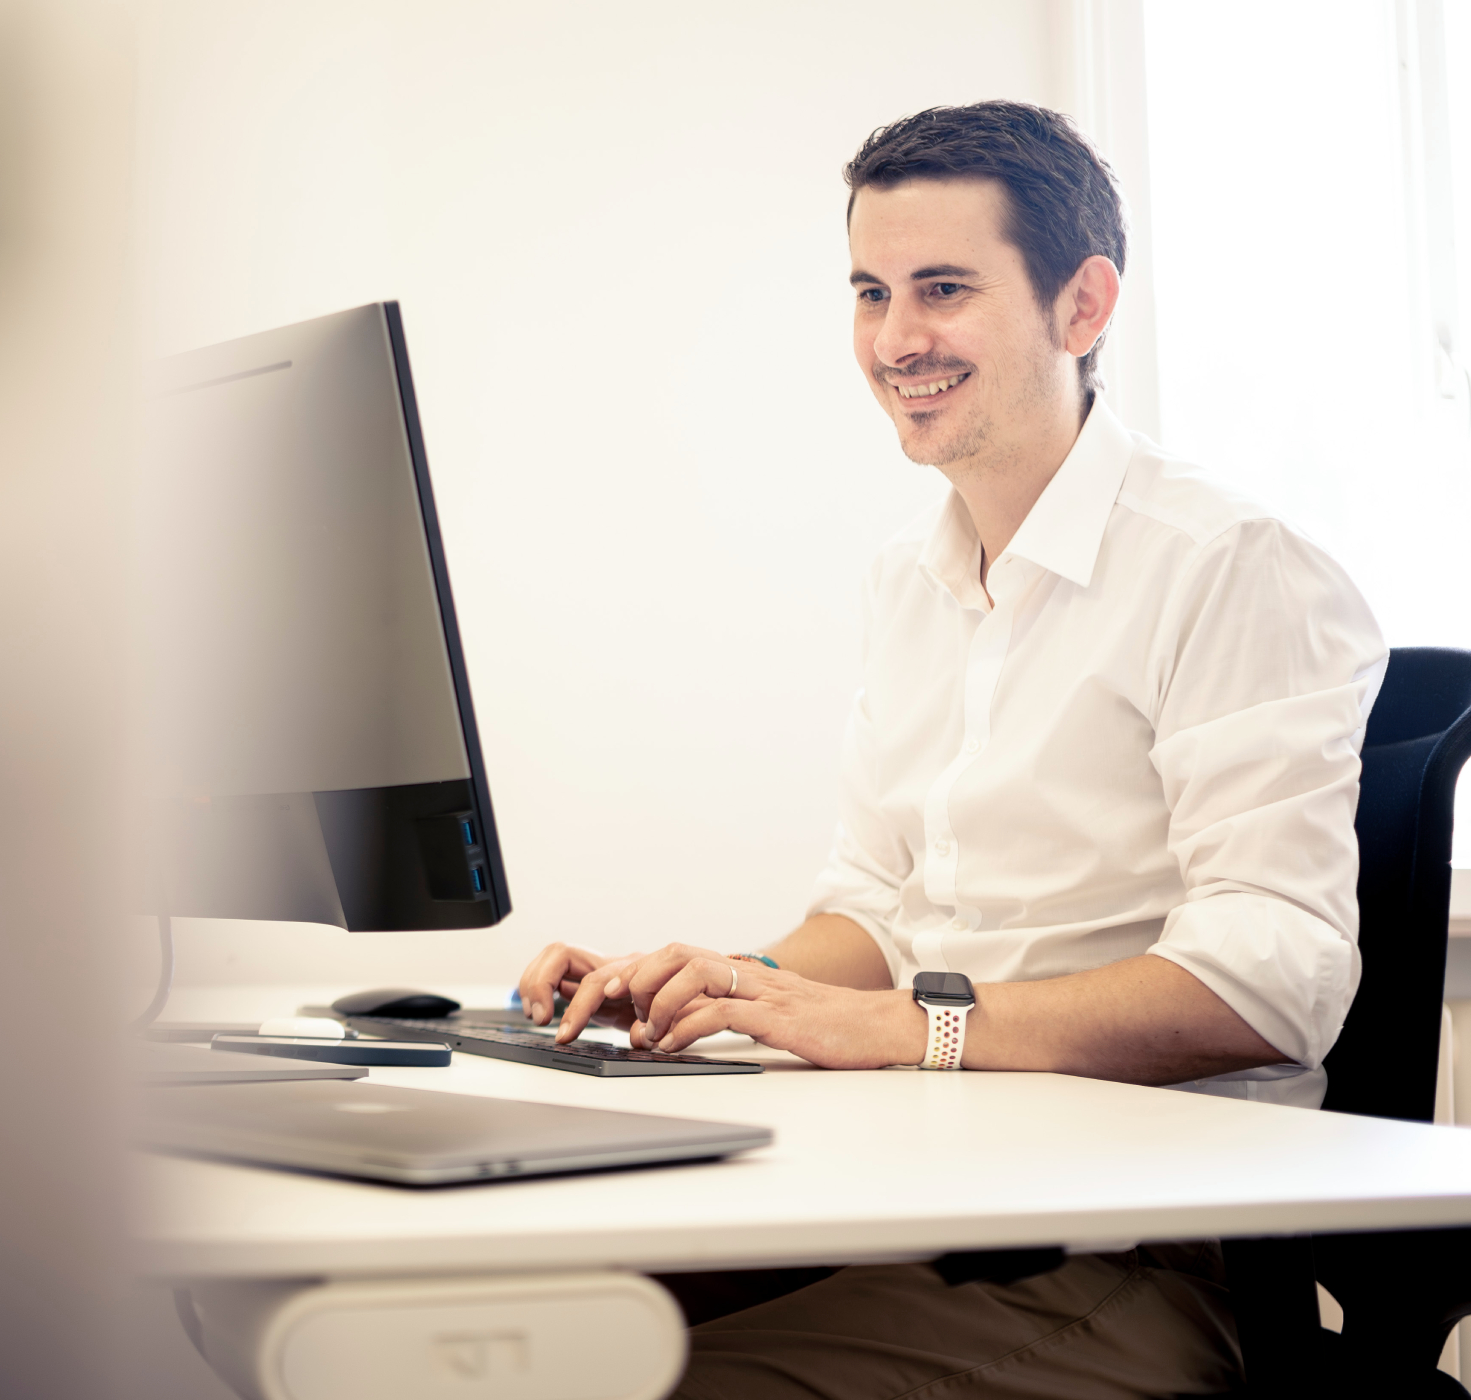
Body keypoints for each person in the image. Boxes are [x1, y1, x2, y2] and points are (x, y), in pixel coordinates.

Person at [517, 100, 1385, 1399]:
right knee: (493, 1331)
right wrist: (718, 983)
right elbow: (873, 911)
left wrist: (907, 1033)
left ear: (1082, 306)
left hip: (1132, 1249)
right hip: (927, 1203)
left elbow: (1274, 979)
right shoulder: (909, 579)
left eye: (942, 289)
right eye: (871, 291)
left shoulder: (1228, 566)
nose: (894, 339)